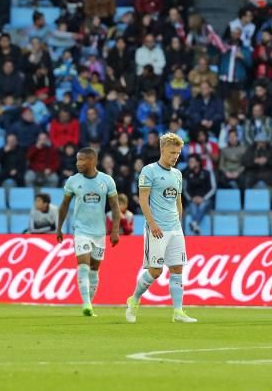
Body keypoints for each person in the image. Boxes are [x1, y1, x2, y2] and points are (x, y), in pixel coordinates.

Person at [126, 132, 197, 323]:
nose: (176, 156)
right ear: (162, 150)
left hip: (175, 229)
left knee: (177, 269)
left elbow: (178, 200)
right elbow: (143, 199)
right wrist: (152, 223)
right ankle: (134, 299)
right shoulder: (149, 171)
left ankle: (178, 312)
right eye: (173, 152)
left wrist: (179, 223)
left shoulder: (178, 174)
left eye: (178, 153)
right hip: (156, 229)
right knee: (155, 271)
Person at [56, 147, 120, 316]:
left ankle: (90, 304)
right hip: (81, 230)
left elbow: (115, 207)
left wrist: (115, 231)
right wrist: (59, 227)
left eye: (82, 160)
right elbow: (64, 206)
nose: (78, 163)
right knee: (83, 266)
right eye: (77, 160)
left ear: (92, 161)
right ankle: (86, 304)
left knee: (94, 269)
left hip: (100, 233)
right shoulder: (72, 181)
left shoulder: (107, 181)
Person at [182, 154, 216, 235]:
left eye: (192, 162)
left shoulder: (207, 173)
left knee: (202, 205)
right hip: (192, 200)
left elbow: (213, 188)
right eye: (189, 162)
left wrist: (203, 198)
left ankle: (194, 223)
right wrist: (192, 199)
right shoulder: (187, 174)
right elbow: (185, 189)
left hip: (205, 199)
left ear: (197, 163)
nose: (190, 163)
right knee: (193, 206)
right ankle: (195, 225)